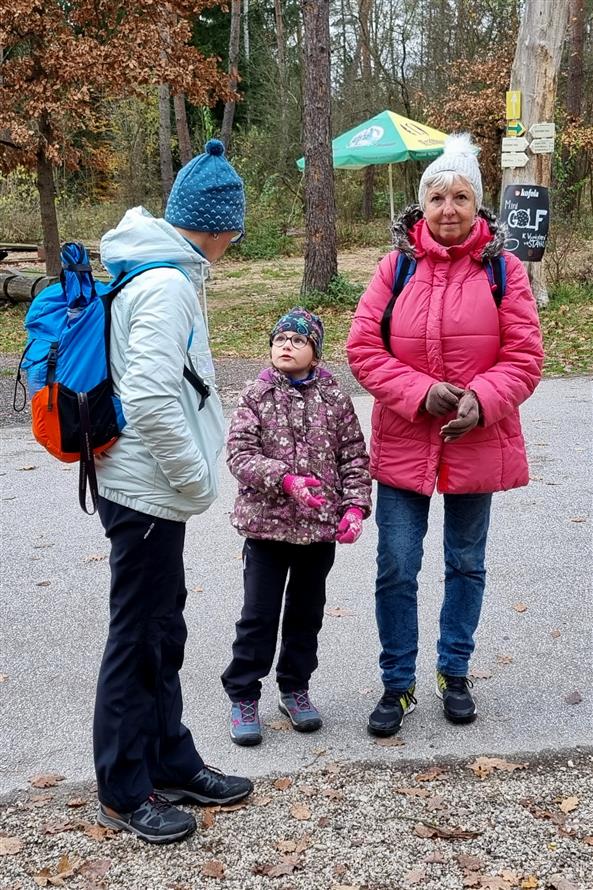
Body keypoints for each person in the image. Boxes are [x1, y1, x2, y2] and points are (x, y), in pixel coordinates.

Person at [347, 133, 544, 738]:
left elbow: (525, 356)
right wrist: (417, 392)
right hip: (406, 438)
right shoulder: (396, 267)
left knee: (465, 563)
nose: (449, 208)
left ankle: (454, 672)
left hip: (474, 441)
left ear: (478, 205)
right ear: (422, 204)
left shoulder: (504, 271)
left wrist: (482, 401)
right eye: (438, 196)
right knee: (396, 566)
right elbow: (363, 348)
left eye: (461, 196)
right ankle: (397, 684)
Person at [93, 139, 253, 844]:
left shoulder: (160, 271)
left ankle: (170, 761)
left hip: (147, 488)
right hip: (147, 491)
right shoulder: (165, 285)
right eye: (236, 229)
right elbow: (153, 395)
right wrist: (195, 480)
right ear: (220, 227)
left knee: (162, 629)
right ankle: (125, 791)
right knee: (138, 637)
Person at [221, 308, 372, 746]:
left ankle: (295, 688)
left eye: (298, 340)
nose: (287, 345)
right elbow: (240, 456)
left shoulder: (335, 397)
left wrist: (354, 508)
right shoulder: (256, 394)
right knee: (259, 616)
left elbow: (354, 459)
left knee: (306, 616)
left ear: (315, 352)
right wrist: (284, 479)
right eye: (280, 338)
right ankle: (244, 694)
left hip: (317, 532)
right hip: (266, 529)